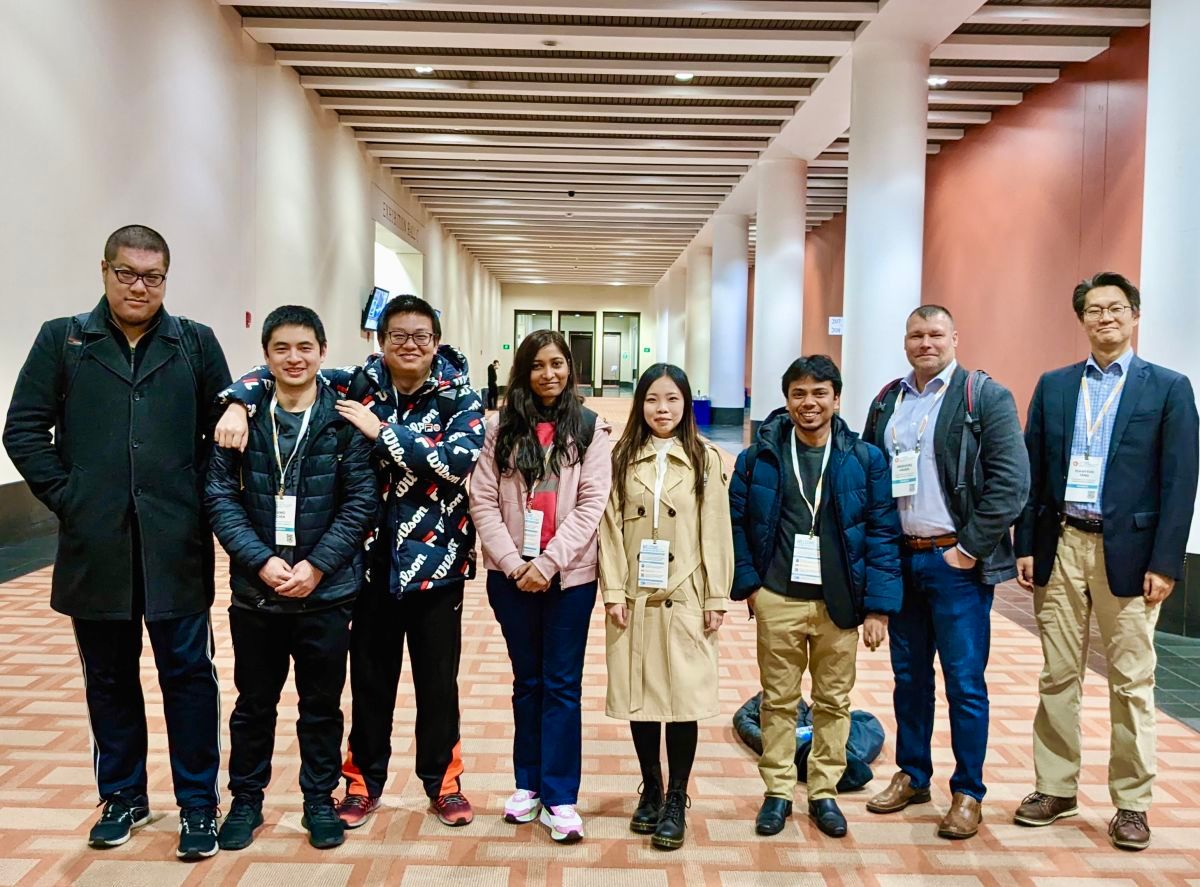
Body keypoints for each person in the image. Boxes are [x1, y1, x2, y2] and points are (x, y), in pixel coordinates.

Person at [212, 294, 485, 829]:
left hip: (436, 565)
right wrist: (236, 401)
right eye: (398, 336)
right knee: (369, 681)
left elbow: (457, 462)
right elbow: (285, 369)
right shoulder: (357, 384)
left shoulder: (460, 396)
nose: (409, 345)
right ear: (380, 342)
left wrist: (381, 432)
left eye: (420, 336)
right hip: (366, 566)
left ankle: (443, 782)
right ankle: (362, 781)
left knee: (437, 684)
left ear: (436, 341)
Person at [3, 225, 232, 860]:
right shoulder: (65, 340)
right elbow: (22, 429)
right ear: (103, 270)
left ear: (166, 279)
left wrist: (198, 500)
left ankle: (196, 804)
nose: (140, 286)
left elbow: (223, 432)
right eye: (128, 273)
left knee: (188, 675)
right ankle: (124, 795)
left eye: (153, 276)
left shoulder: (194, 343)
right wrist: (71, 497)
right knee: (107, 676)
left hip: (174, 545)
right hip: (95, 546)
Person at [1013, 273, 1199, 851]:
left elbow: (1180, 480)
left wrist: (1166, 562)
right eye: (1094, 310)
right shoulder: (1056, 385)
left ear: (1134, 316)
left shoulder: (1167, 388)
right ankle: (1056, 787)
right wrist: (1025, 543)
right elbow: (1033, 469)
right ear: (1083, 320)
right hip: (1063, 543)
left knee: (1133, 682)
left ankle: (1132, 804)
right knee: (1057, 675)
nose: (1105, 318)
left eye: (1116, 308)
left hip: (1132, 553)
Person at [205, 306, 377, 851]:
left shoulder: (344, 418)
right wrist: (258, 559)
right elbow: (218, 495)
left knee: (321, 706)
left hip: (325, 592)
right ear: (266, 356)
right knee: (253, 704)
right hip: (257, 594)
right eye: (282, 348)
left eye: (305, 347)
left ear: (322, 353)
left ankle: (316, 800)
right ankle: (246, 801)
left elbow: (361, 501)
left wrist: (317, 565)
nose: (294, 357)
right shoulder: (241, 419)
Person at [861, 305, 1029, 840]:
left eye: (936, 334)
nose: (925, 343)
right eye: (916, 334)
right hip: (901, 559)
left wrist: (969, 550)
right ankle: (913, 775)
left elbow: (1011, 482)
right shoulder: (888, 400)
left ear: (955, 337)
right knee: (908, 679)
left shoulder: (985, 397)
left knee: (963, 683)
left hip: (956, 564)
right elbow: (870, 475)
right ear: (905, 340)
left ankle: (968, 791)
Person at [729, 355, 902, 840]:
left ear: (837, 398)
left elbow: (883, 533)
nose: (809, 403)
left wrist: (878, 607)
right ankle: (778, 791)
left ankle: (823, 791)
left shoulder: (864, 459)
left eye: (820, 393)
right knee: (778, 702)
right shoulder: (758, 456)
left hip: (839, 604)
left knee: (833, 701)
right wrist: (752, 588)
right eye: (799, 393)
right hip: (778, 597)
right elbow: (738, 525)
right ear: (786, 399)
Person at [469, 329, 612, 844]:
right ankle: (526, 785)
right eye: (537, 365)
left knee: (561, 685)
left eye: (558, 364)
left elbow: (592, 504)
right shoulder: (499, 428)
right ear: (522, 371)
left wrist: (549, 563)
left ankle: (560, 796)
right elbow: (482, 501)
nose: (548, 374)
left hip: (570, 578)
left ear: (570, 369)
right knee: (526, 682)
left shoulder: (592, 428)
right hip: (510, 578)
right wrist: (512, 563)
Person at [600, 363, 733, 851]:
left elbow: (717, 530)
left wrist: (717, 594)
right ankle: (650, 788)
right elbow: (609, 529)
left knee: (681, 700)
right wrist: (613, 590)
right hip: (634, 596)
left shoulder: (706, 457)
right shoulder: (620, 457)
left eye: (672, 399)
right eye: (653, 399)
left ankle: (677, 797)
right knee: (642, 694)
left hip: (686, 595)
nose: (663, 409)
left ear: (686, 404)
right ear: (641, 403)